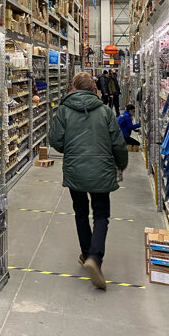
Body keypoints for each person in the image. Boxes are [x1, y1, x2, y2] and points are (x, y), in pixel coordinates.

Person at [48, 71, 128, 290]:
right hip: (101, 170)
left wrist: (70, 148)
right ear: (94, 89)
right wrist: (121, 163)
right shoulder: (104, 111)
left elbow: (55, 140)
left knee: (81, 213)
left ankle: (86, 254)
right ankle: (95, 257)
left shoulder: (64, 110)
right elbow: (118, 143)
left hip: (75, 170)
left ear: (74, 88)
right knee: (101, 215)